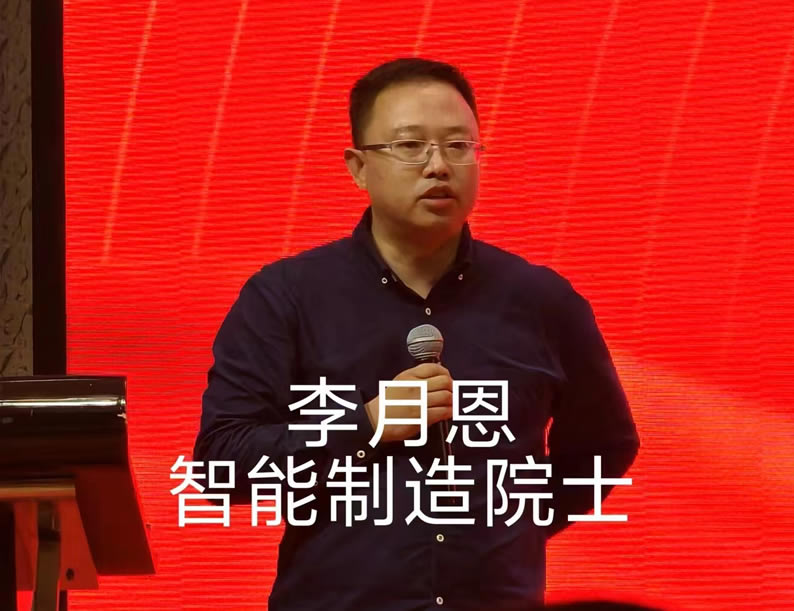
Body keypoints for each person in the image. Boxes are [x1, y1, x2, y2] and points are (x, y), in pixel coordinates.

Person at [194, 57, 640, 611]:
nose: (439, 166)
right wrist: (366, 426)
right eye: (410, 145)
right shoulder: (286, 297)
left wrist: (514, 530)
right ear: (358, 167)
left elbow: (605, 445)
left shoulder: (544, 301)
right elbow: (221, 466)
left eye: (459, 146)